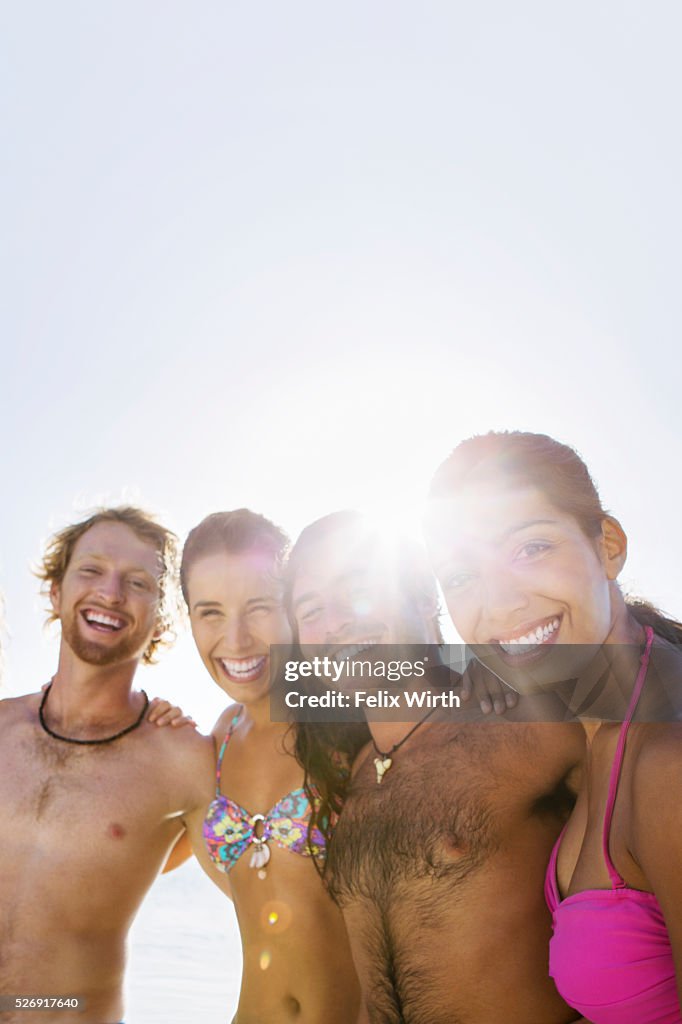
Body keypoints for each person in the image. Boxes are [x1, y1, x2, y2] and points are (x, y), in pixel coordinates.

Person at [285, 510, 585, 1024]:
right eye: (311, 609)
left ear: (426, 600)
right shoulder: (351, 774)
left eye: (357, 585)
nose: (333, 621)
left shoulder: (527, 722)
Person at [426, 431, 682, 1024]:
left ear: (608, 546)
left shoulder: (667, 756)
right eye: (462, 577)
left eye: (531, 548)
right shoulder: (598, 723)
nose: (502, 604)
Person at [0, 507, 215, 1024]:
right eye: (91, 570)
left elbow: (267, 894)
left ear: (163, 617)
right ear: (56, 590)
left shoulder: (182, 762)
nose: (111, 593)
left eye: (137, 582)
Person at [167, 510, 364, 1024]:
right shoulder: (218, 738)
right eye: (210, 613)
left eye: (259, 607)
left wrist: (475, 680)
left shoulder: (353, 715)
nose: (236, 640)